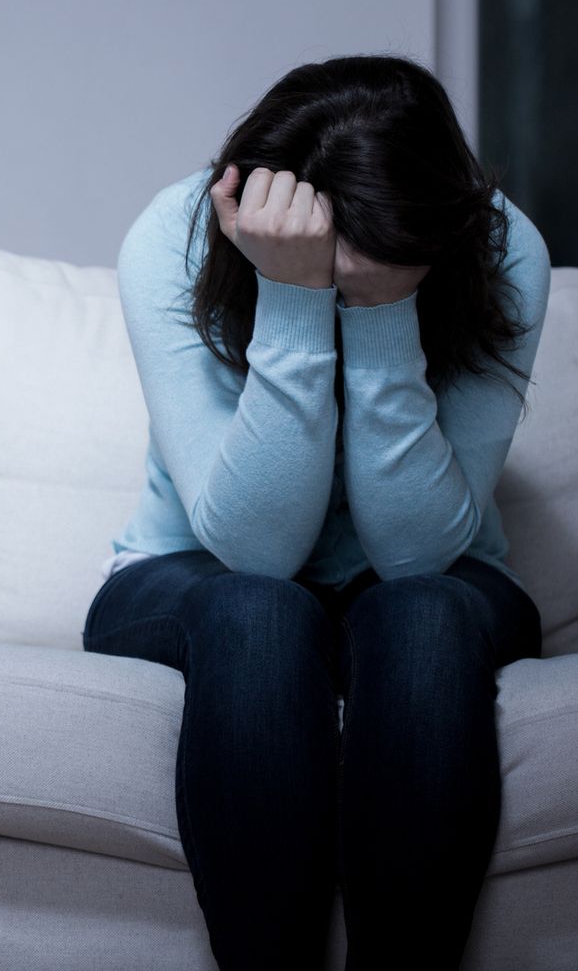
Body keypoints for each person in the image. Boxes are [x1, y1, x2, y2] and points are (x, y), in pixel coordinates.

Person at [83, 55, 549, 969]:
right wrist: (294, 300)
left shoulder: (502, 248)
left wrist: (382, 306)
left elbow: (417, 556)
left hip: (439, 580)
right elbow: (256, 551)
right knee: (260, 612)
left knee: (419, 615)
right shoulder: (173, 238)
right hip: (197, 574)